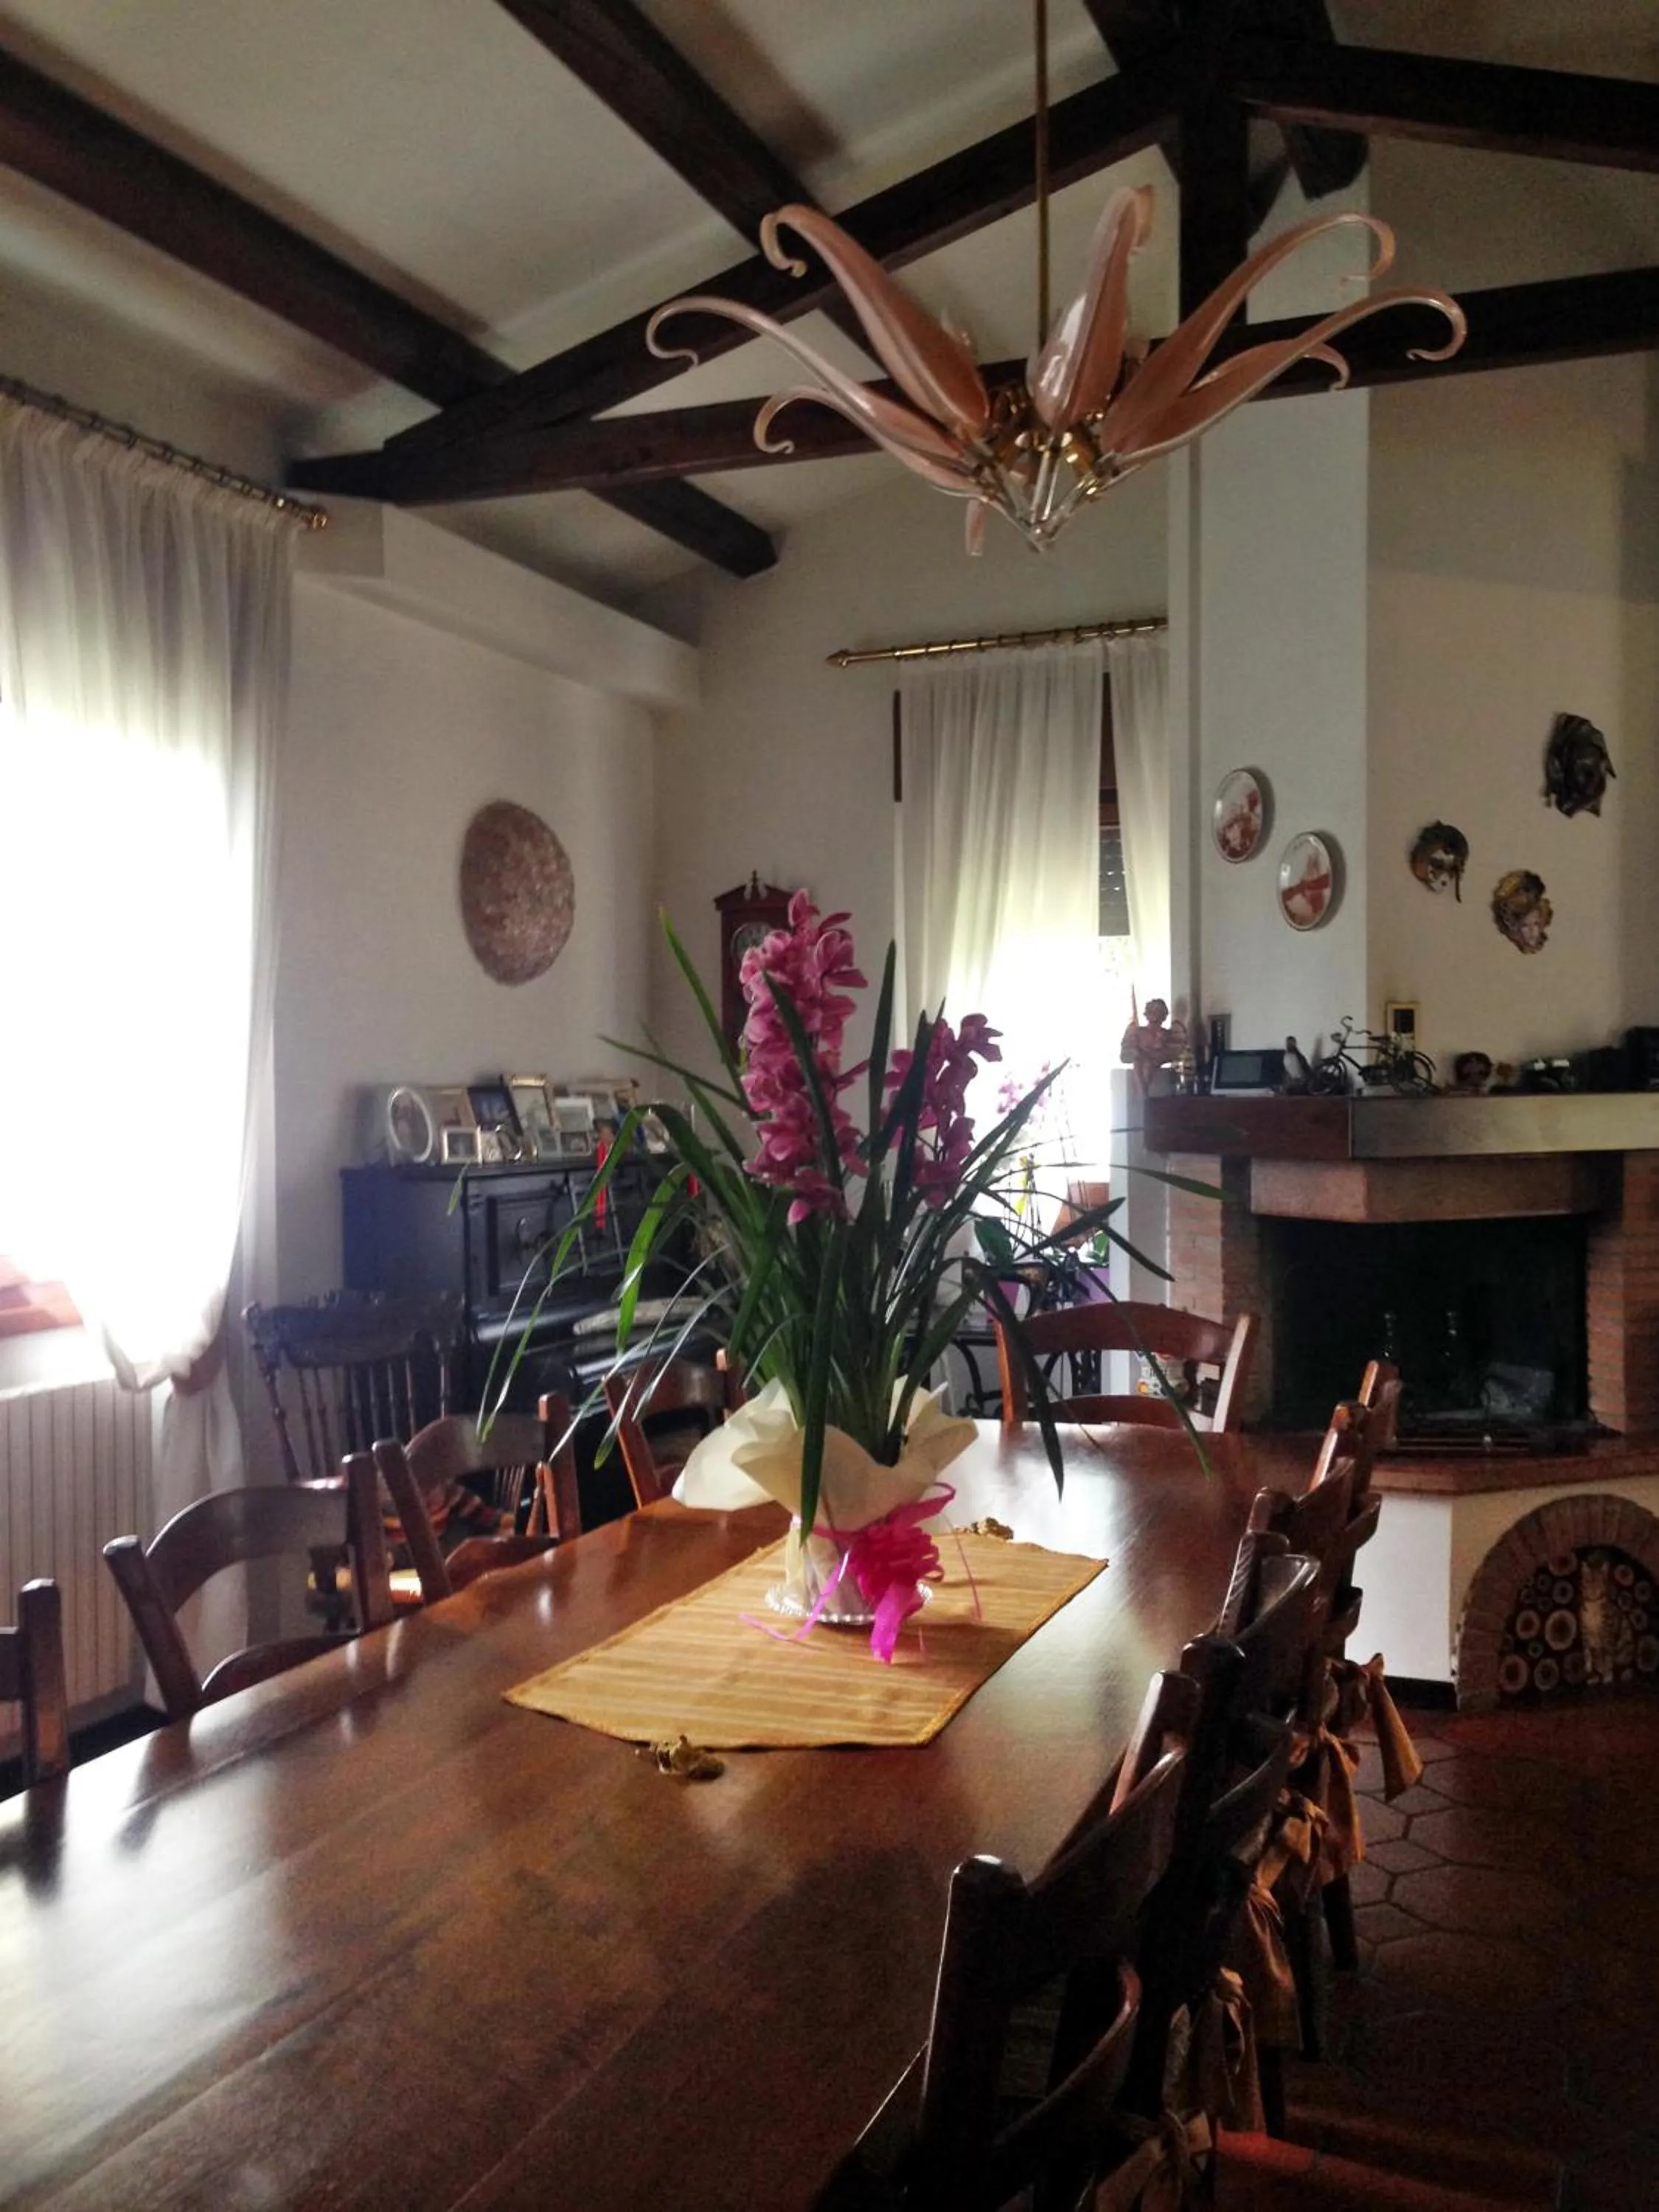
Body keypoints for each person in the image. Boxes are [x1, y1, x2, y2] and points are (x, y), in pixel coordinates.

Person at [1119, 992, 1186, 1094]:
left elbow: (1165, 1051)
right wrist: (1138, 1051)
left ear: (1163, 1015)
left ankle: (1144, 1094)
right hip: (1141, 1058)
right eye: (1152, 1012)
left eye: (1158, 1012)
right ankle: (1143, 1093)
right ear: (1147, 1014)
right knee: (1138, 1063)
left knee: (1148, 1065)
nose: (1154, 1015)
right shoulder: (1139, 1031)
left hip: (1155, 1058)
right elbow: (1128, 1053)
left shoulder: (1165, 1033)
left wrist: (1154, 1052)